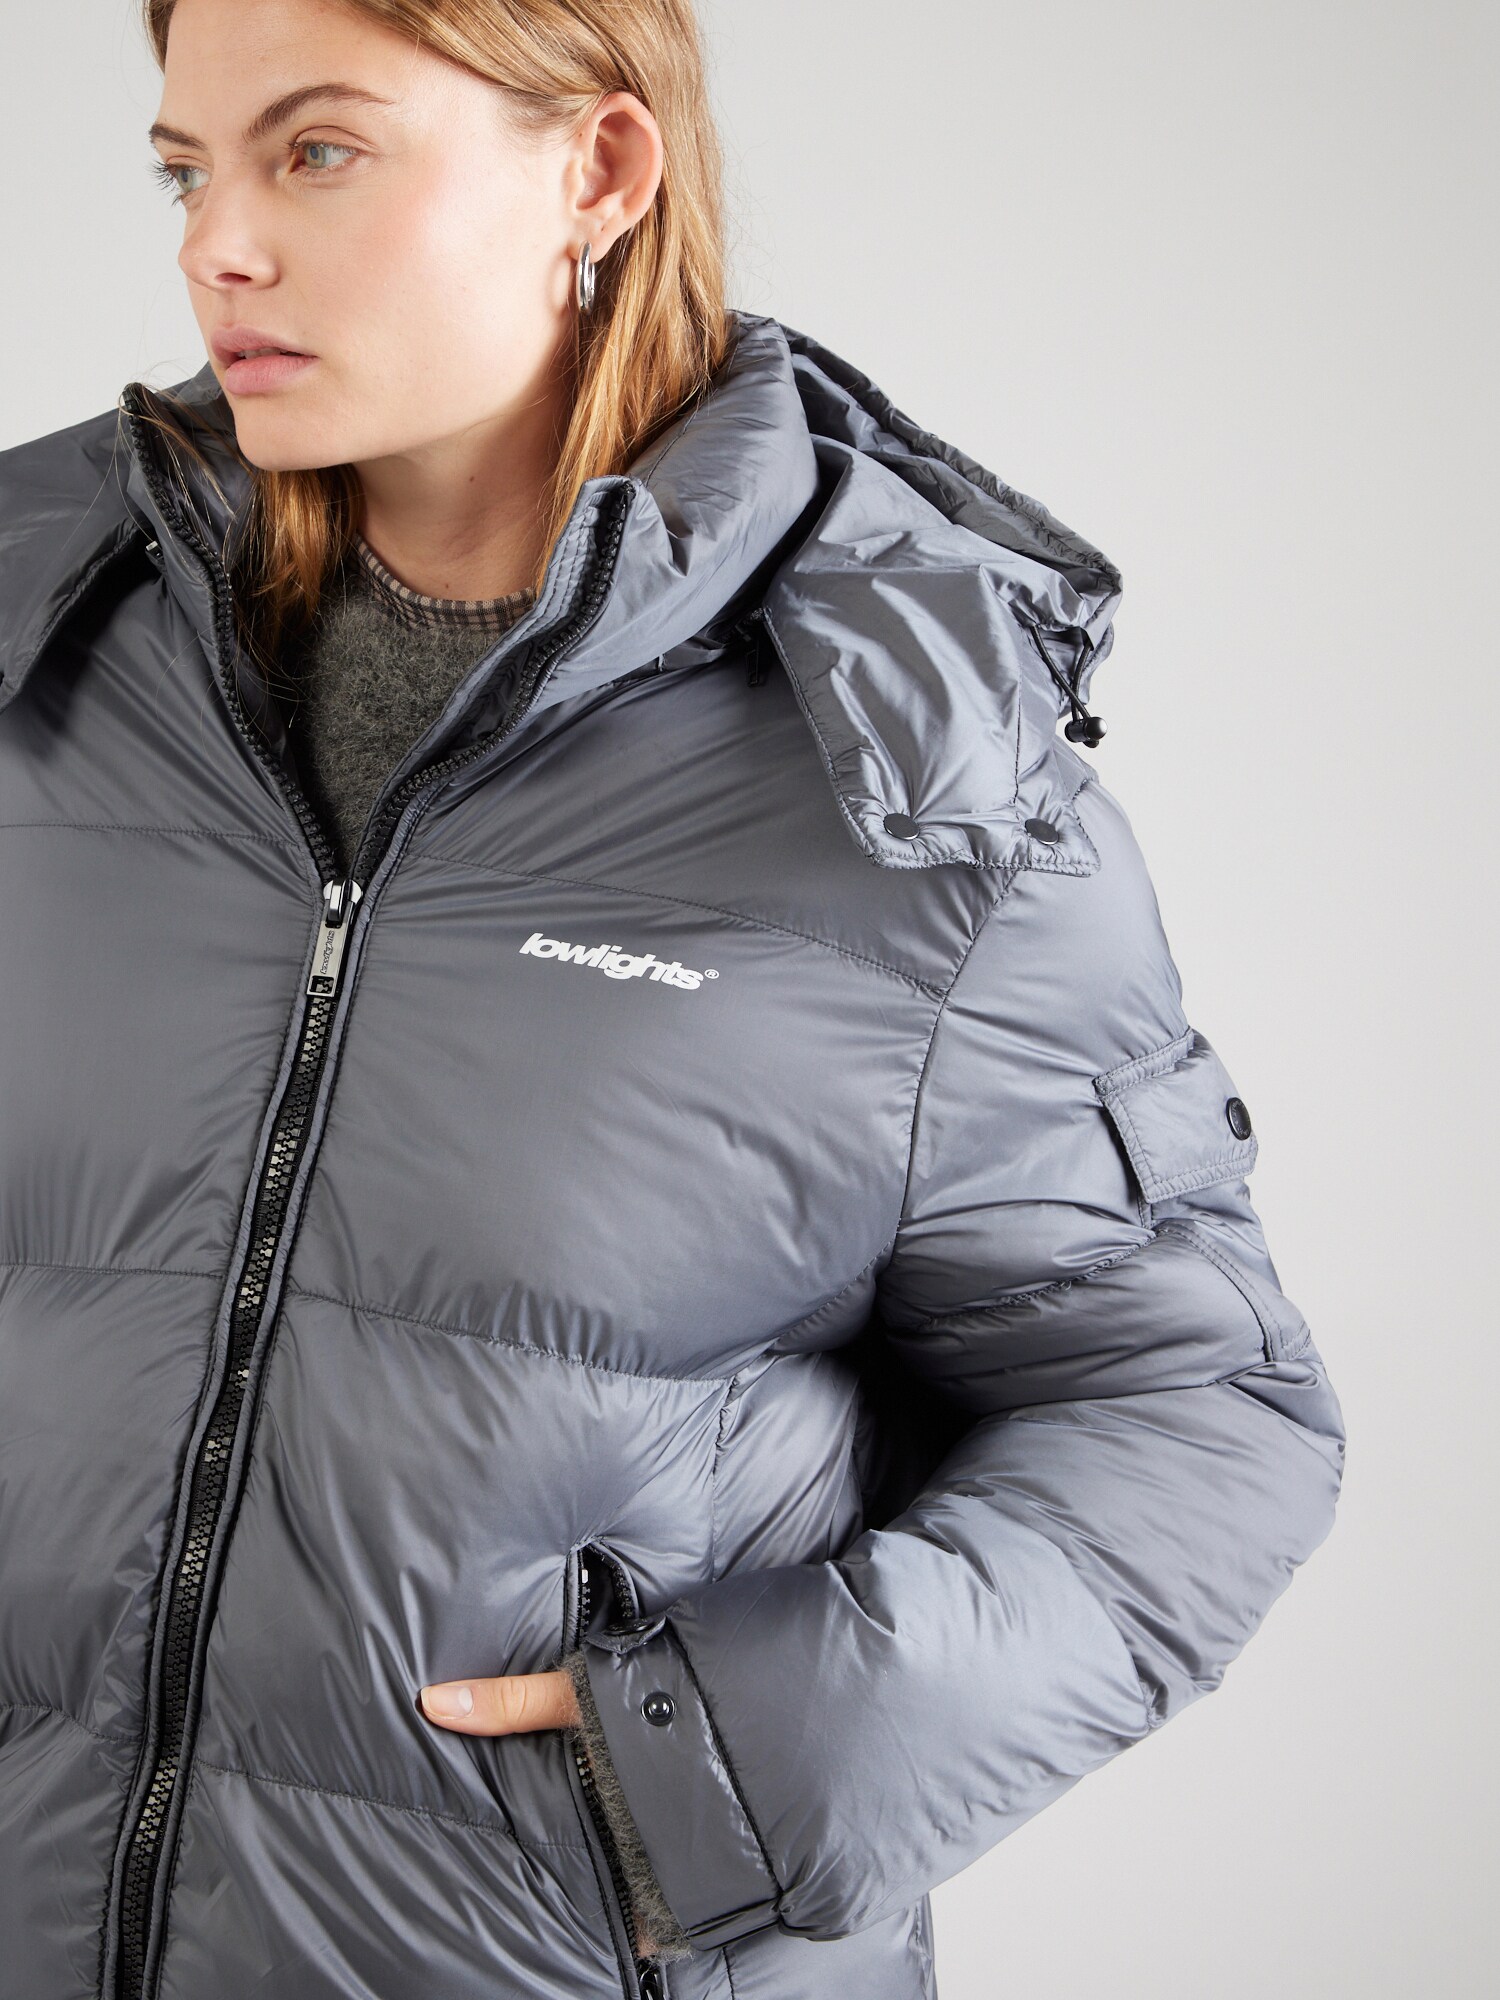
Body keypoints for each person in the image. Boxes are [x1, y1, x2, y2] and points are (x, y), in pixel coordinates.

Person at [0, 0, 1346, 1996]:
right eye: (187, 168)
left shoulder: (907, 781)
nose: (219, 245)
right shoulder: (47, 648)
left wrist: (722, 1772)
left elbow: (1197, 1410)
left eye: (318, 150)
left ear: (600, 171)